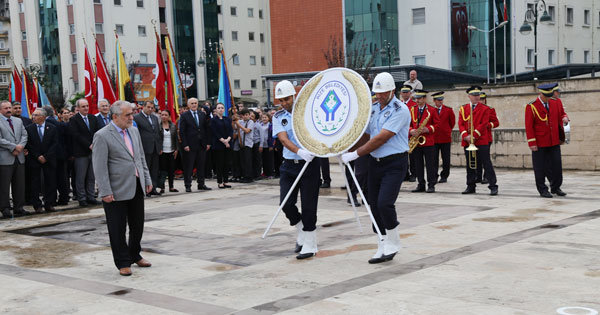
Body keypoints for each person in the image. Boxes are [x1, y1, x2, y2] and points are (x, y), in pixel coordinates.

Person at [342, 72, 410, 264]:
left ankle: (394, 241)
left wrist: (356, 155)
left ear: (392, 91)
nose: (379, 96)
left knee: (384, 203)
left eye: (383, 93)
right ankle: (382, 242)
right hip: (375, 163)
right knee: (373, 205)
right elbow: (366, 134)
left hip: (395, 163)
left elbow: (381, 137)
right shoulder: (373, 108)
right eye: (377, 92)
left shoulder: (400, 110)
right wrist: (347, 148)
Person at [92, 100, 153, 276]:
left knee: (137, 225)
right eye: (127, 115)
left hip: (136, 185)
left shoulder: (134, 131)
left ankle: (135, 254)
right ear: (115, 116)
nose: (131, 117)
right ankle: (122, 262)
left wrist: (147, 179)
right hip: (115, 190)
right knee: (117, 228)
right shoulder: (102, 135)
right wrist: (105, 191)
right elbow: (100, 167)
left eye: (132, 113)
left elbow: (140, 158)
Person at [272, 80, 320, 260]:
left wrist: (315, 150)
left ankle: (310, 243)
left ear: (294, 96)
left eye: (286, 99)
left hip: (310, 164)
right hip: (289, 164)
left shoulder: (308, 111)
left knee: (309, 206)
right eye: (281, 100)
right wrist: (299, 151)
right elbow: (283, 139)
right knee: (285, 203)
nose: (284, 103)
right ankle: (300, 227)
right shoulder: (278, 116)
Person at [525, 83, 569, 198]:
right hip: (540, 142)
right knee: (540, 167)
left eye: (550, 95)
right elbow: (529, 126)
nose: (549, 98)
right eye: (546, 95)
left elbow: (561, 114)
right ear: (540, 93)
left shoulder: (555, 102)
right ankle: (542, 189)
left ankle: (556, 187)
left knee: (556, 165)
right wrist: (532, 142)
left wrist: (564, 118)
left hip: (554, 140)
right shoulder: (532, 106)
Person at [458, 86, 498, 196]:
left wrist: (474, 135)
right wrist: (465, 135)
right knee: (470, 164)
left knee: (486, 163)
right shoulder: (463, 108)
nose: (476, 97)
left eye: (478, 95)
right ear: (469, 96)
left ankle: (493, 186)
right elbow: (460, 123)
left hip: (481, 140)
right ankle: (470, 186)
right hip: (467, 140)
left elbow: (483, 123)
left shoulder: (485, 108)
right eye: (474, 95)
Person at [0, 100, 30, 218]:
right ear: (0, 110)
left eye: (9, 108)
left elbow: (24, 135)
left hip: (19, 157)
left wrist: (21, 146)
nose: (8, 110)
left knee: (19, 184)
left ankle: (19, 207)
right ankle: (5, 208)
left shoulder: (18, 121)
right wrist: (13, 147)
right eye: (5, 108)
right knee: (4, 185)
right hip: (5, 158)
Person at [25, 108, 59, 213]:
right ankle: (37, 205)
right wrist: (38, 156)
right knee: (35, 183)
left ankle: (49, 203)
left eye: (36, 115)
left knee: (50, 182)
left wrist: (46, 156)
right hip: (35, 160)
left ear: (43, 117)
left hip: (49, 160)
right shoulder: (29, 128)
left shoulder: (52, 128)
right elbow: (29, 144)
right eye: (33, 115)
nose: (33, 117)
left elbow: (55, 144)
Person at [69, 99, 100, 207]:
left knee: (91, 176)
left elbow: (97, 132)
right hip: (81, 152)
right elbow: (76, 135)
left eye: (87, 106)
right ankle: (81, 198)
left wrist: (94, 144)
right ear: (78, 108)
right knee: (81, 177)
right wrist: (88, 145)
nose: (86, 108)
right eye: (83, 106)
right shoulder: (74, 119)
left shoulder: (93, 118)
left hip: (93, 151)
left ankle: (91, 196)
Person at [409, 89, 439, 193]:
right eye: (416, 98)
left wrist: (429, 129)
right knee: (418, 164)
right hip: (416, 141)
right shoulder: (412, 109)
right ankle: (420, 184)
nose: (417, 100)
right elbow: (408, 124)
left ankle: (431, 184)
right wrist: (411, 130)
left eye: (419, 98)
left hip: (428, 141)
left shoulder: (432, 110)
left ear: (424, 99)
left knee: (430, 164)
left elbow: (437, 125)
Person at [179, 98, 212, 192]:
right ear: (188, 105)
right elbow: (182, 131)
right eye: (192, 103)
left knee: (201, 165)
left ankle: (201, 184)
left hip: (201, 144)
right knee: (189, 166)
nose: (194, 105)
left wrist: (208, 143)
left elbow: (206, 129)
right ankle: (188, 185)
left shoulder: (202, 114)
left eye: (195, 103)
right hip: (190, 145)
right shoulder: (184, 116)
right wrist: (185, 144)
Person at [134, 101, 162, 196]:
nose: (150, 109)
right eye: (148, 107)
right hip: (145, 148)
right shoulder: (136, 118)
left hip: (155, 148)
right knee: (146, 169)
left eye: (152, 107)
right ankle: (146, 189)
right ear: (143, 107)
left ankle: (153, 187)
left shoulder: (155, 117)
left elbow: (157, 133)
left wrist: (159, 146)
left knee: (155, 169)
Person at [431, 91, 455, 183]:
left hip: (445, 138)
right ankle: (434, 175)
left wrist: (447, 130)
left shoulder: (448, 110)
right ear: (434, 101)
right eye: (438, 100)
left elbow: (452, 123)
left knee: (446, 158)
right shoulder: (432, 110)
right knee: (434, 159)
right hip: (434, 138)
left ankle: (444, 175)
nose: (440, 102)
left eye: (441, 100)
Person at [476, 92, 499, 184]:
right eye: (480, 99)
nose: (481, 101)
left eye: (483, 99)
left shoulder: (490, 109)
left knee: (485, 158)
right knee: (477, 158)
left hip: (486, 137)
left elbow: (496, 122)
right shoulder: (473, 109)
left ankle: (486, 177)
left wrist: (488, 125)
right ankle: (478, 176)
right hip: (476, 137)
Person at [210, 103, 233, 188]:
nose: (220, 109)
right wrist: (223, 140)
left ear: (224, 109)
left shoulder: (227, 119)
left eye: (222, 108)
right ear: (216, 110)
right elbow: (214, 132)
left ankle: (226, 181)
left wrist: (228, 140)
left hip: (227, 144)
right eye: (218, 108)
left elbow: (231, 130)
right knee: (219, 163)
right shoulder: (213, 120)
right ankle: (220, 181)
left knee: (226, 163)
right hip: (218, 144)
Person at [398, 85, 417, 182]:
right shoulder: (398, 105)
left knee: (412, 156)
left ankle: (413, 174)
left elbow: (415, 120)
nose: (405, 94)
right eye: (403, 92)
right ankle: (405, 173)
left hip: (411, 133)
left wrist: (411, 130)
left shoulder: (414, 104)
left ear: (410, 93)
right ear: (401, 94)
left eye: (407, 92)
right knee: (402, 156)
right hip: (401, 134)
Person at [158, 110, 179, 194]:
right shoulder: (158, 126)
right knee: (163, 169)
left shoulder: (173, 125)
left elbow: (176, 139)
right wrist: (159, 148)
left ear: (169, 116)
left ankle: (171, 186)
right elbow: (157, 139)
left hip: (171, 150)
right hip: (162, 151)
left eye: (165, 115)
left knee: (171, 169)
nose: (163, 116)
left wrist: (176, 149)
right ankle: (162, 187)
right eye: (162, 115)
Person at [236, 108, 255, 183]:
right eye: (244, 115)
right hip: (241, 144)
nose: (246, 116)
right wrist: (234, 120)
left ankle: (249, 176)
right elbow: (234, 126)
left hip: (248, 144)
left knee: (248, 161)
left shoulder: (251, 122)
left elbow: (247, 130)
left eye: (247, 115)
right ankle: (244, 175)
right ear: (242, 116)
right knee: (242, 161)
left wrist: (239, 125)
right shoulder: (240, 121)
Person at [258, 113, 274, 178]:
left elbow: (272, 136)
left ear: (268, 118)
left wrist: (271, 145)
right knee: (264, 160)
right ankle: (265, 172)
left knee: (269, 160)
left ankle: (270, 173)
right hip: (262, 145)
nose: (264, 119)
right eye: (263, 117)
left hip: (269, 145)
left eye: (265, 117)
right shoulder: (260, 125)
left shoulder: (270, 125)